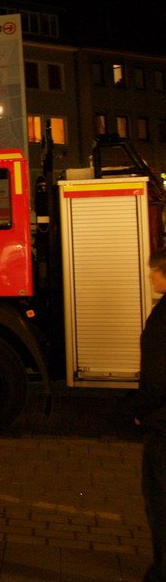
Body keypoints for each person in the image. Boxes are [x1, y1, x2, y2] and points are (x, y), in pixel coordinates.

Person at [138, 247, 166, 582]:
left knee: (159, 498)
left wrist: (140, 412)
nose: (149, 276)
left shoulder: (161, 319)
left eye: (154, 270)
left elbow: (156, 377)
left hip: (163, 425)